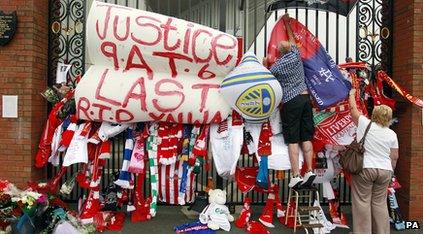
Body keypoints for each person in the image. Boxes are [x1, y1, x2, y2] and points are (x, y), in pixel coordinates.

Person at [264, 13, 316, 188]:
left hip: (290, 102)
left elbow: (268, 79)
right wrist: (287, 23)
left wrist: (265, 64)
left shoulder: (277, 66)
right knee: (306, 137)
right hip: (304, 98)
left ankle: (296, 175)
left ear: (279, 52)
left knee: (292, 139)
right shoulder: (296, 55)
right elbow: (293, 39)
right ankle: (309, 170)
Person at [348, 88, 399, 234]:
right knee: (379, 203)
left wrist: (351, 95)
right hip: (385, 170)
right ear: (389, 118)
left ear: (374, 114)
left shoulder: (366, 124)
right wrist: (391, 174)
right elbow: (394, 157)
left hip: (366, 168)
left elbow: (353, 110)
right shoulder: (392, 134)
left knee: (362, 202)